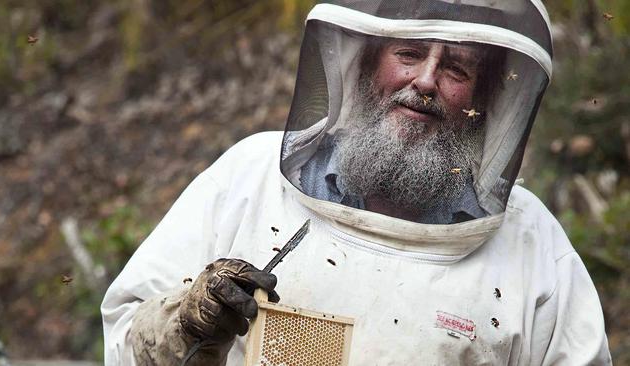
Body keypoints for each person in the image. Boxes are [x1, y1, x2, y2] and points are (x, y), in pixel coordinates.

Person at [101, 1, 612, 365]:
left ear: (485, 103)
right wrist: (186, 324)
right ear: (367, 63)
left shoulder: (532, 244)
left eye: (456, 68)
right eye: (409, 54)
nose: (426, 81)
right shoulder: (250, 178)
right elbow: (124, 340)